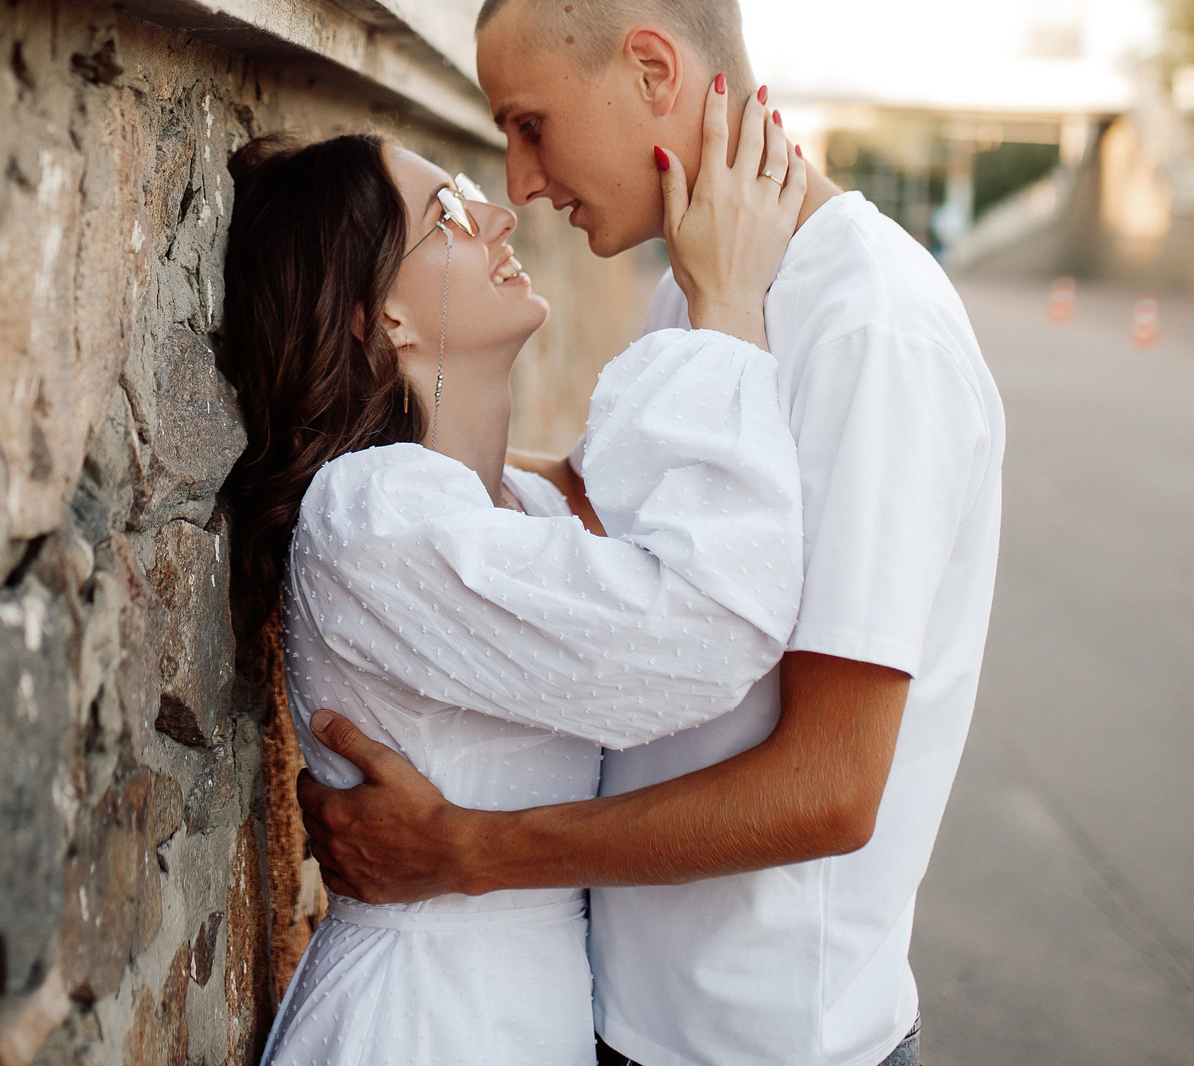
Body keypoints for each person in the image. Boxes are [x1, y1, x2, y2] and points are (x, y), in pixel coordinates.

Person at [298, 0, 1007, 1066]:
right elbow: (595, 509)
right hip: (621, 1011)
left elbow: (828, 790)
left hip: (762, 1041)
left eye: (529, 126)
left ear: (650, 68)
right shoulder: (698, 280)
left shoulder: (871, 326)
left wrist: (466, 850)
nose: (520, 183)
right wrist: (357, 448)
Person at [219, 84, 807, 1066]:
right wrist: (726, 313)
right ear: (381, 320)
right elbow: (700, 629)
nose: (496, 212)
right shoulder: (371, 517)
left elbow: (600, 503)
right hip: (422, 1021)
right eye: (444, 213)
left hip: (517, 1005)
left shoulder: (505, 512)